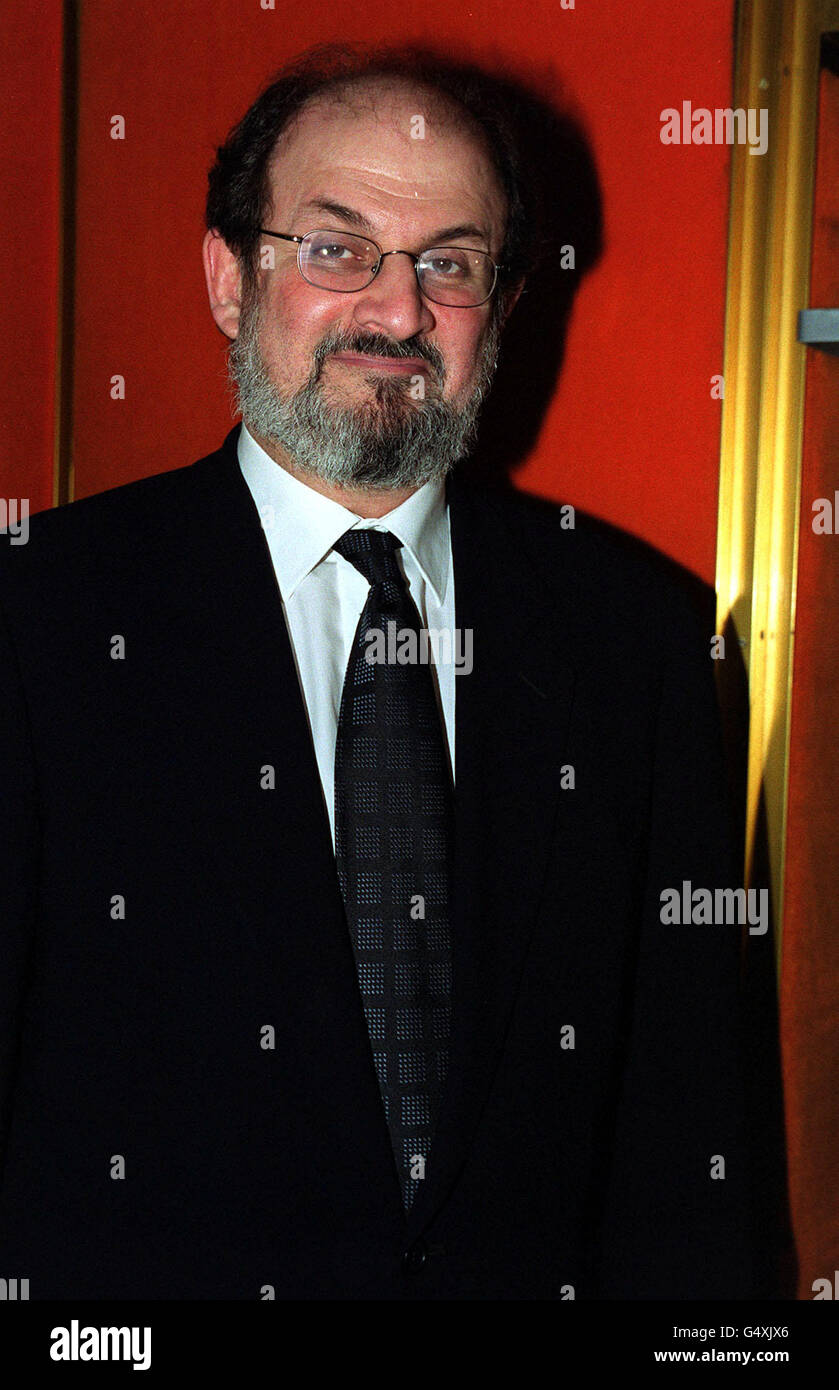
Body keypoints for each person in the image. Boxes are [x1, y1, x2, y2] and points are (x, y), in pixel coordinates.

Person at [0, 45, 754, 1300]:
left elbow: (686, 1152)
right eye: (336, 248)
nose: (399, 313)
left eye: (449, 264)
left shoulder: (646, 647)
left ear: (499, 309)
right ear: (230, 280)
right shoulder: (36, 620)